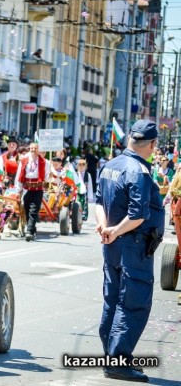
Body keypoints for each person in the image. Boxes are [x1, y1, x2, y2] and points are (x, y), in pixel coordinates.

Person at [95, 120, 164, 383]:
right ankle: (119, 361)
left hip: (113, 244)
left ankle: (112, 356)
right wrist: (115, 231)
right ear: (153, 144)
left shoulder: (111, 165)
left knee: (113, 299)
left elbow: (99, 201)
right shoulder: (139, 171)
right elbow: (137, 215)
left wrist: (105, 227)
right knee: (133, 302)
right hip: (132, 245)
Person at [14, 142, 48, 241]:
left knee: (33, 210)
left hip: (38, 189)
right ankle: (32, 229)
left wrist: (49, 179)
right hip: (26, 189)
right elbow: (19, 176)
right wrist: (18, 190)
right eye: (31, 148)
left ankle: (29, 231)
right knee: (27, 209)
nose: (33, 150)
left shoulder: (44, 162)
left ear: (38, 150)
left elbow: (47, 176)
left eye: (35, 148)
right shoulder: (24, 161)